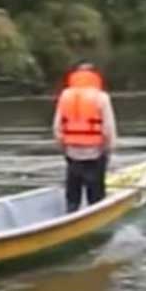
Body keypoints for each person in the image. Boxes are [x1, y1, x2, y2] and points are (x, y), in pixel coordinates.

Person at [53, 62, 117, 212]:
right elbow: (108, 128)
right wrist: (108, 150)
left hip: (72, 154)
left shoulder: (65, 95)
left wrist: (63, 148)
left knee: (73, 194)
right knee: (96, 195)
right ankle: (95, 212)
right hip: (95, 154)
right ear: (95, 76)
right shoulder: (101, 97)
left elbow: (57, 128)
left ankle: (71, 212)